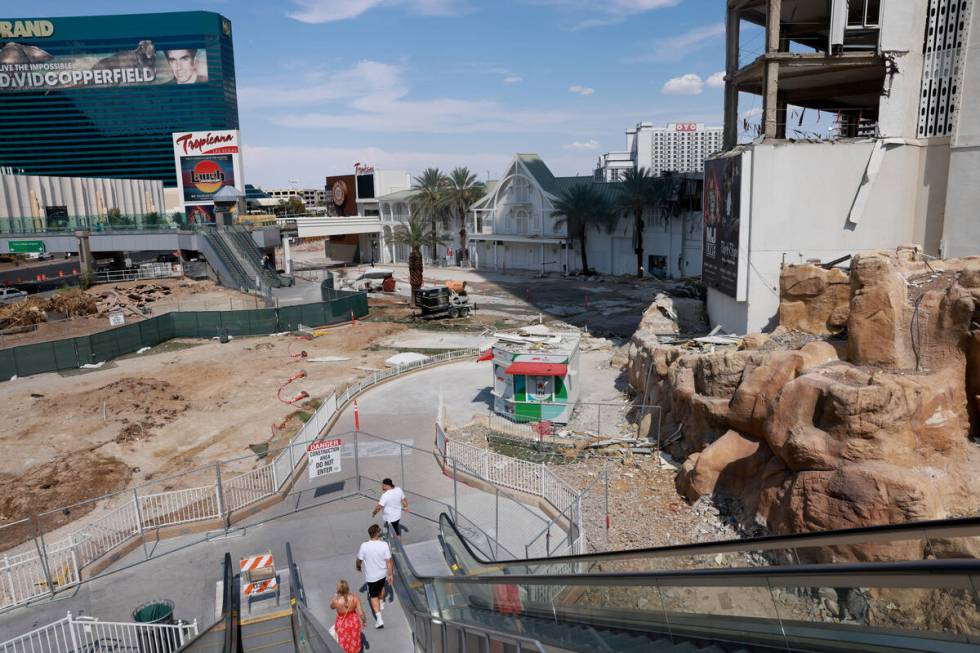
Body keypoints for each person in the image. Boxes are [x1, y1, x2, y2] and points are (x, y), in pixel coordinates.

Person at [356, 524, 393, 628]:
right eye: (380, 531)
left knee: (373, 597)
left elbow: (359, 560)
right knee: (382, 587)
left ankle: (379, 619)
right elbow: (389, 561)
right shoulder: (384, 544)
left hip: (371, 577)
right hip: (382, 574)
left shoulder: (364, 545)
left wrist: (358, 566)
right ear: (377, 534)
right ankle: (381, 602)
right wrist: (390, 574)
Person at [329, 579, 365, 653]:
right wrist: (364, 621)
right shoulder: (355, 598)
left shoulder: (336, 601)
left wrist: (335, 596)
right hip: (354, 623)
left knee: (344, 644)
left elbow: (331, 607)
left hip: (342, 625)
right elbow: (361, 613)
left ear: (338, 590)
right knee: (354, 642)